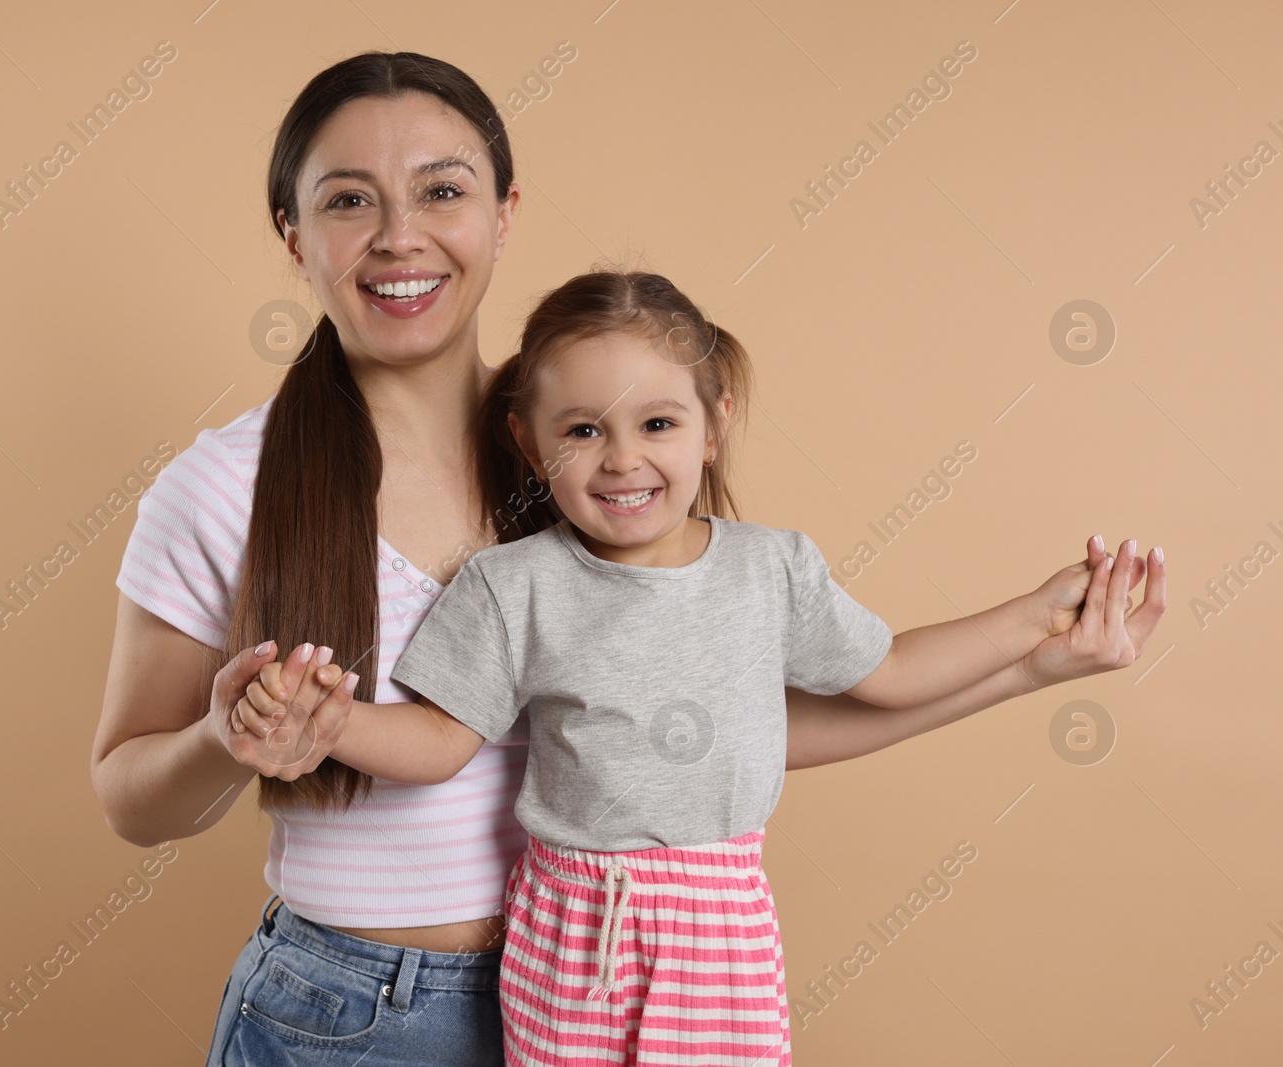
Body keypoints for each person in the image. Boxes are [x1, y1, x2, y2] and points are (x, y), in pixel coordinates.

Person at [91, 51, 1166, 1067]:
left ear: (505, 214)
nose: (398, 236)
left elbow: (701, 735)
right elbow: (132, 797)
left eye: (442, 190)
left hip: (611, 993)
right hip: (348, 1013)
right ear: (292, 234)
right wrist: (234, 734)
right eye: (346, 199)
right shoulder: (225, 485)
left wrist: (1029, 665)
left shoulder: (600, 445)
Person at [230, 269, 1168, 1066]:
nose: (623, 459)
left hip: (719, 929)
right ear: (527, 439)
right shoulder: (512, 584)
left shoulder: (773, 569)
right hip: (571, 928)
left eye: (659, 423)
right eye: (583, 431)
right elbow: (441, 740)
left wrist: (1039, 617)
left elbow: (891, 670)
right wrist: (330, 722)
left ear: (713, 426)